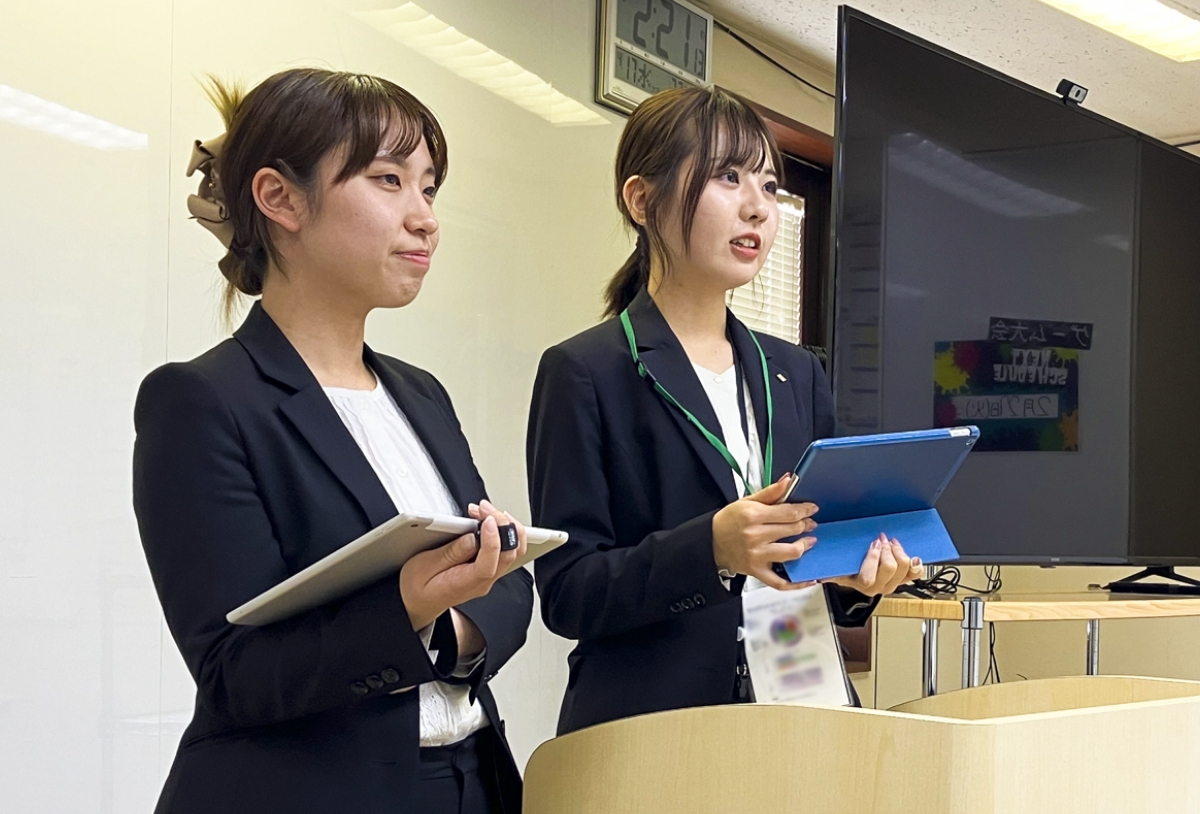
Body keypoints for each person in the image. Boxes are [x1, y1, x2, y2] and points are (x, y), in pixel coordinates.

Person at [133, 68, 531, 814]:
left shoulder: (421, 394)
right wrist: (407, 610)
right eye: (389, 180)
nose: (425, 218)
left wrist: (447, 626)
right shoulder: (201, 400)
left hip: (472, 782)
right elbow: (231, 673)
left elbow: (508, 584)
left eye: (430, 189)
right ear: (280, 198)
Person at [527, 85, 923, 735]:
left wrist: (859, 578)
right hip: (658, 729)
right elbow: (569, 593)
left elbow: (815, 557)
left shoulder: (797, 371)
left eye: (769, 186)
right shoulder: (586, 371)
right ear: (642, 200)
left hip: (804, 710)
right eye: (728, 177)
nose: (758, 207)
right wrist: (710, 549)